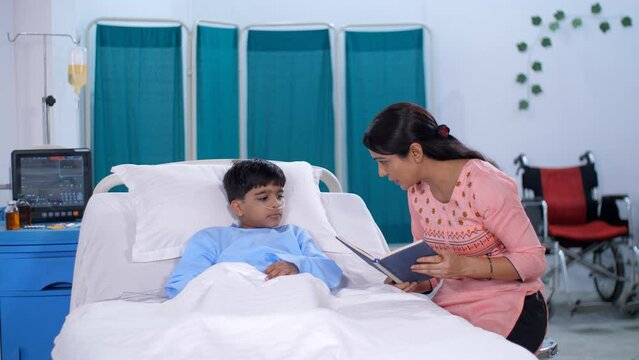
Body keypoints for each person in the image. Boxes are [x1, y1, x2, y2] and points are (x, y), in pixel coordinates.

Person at [362, 102, 547, 353]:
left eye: (384, 162)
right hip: (453, 304)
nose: (381, 173)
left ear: (415, 152)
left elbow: (534, 261)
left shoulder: (486, 184)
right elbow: (435, 265)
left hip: (513, 305)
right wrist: (417, 283)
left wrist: (466, 265)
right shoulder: (416, 191)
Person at [165, 159, 343, 298]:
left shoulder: (295, 234)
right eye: (263, 198)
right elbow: (180, 287)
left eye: (279, 196)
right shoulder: (212, 238)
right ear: (238, 208)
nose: (276, 204)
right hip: (232, 302)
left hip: (288, 300)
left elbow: (331, 273)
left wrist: (297, 265)